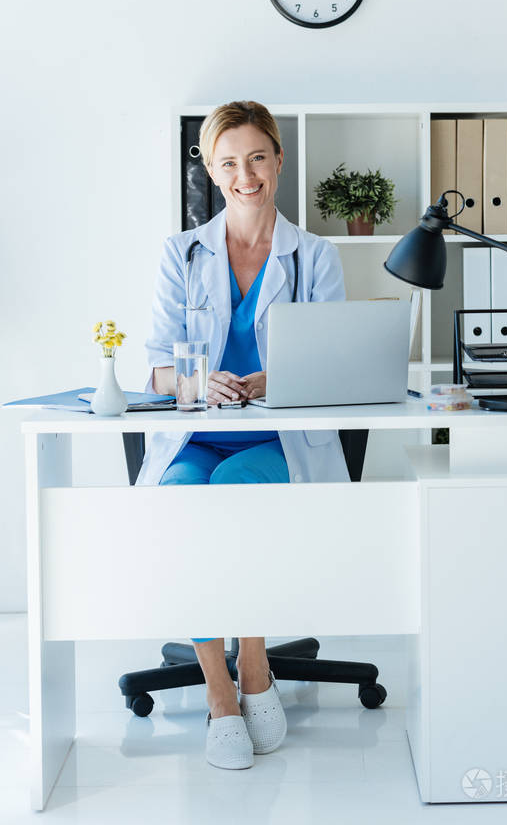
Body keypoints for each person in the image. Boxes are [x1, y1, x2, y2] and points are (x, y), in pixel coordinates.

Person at [138, 100, 350, 770]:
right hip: (196, 434)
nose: (245, 173)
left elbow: (331, 361)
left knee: (236, 493)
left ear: (278, 159)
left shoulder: (314, 255)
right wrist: (198, 385)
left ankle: (254, 659)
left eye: (257, 156)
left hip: (275, 436)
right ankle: (220, 690)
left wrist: (263, 380)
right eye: (228, 160)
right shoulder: (182, 252)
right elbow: (157, 368)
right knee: (183, 496)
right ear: (210, 167)